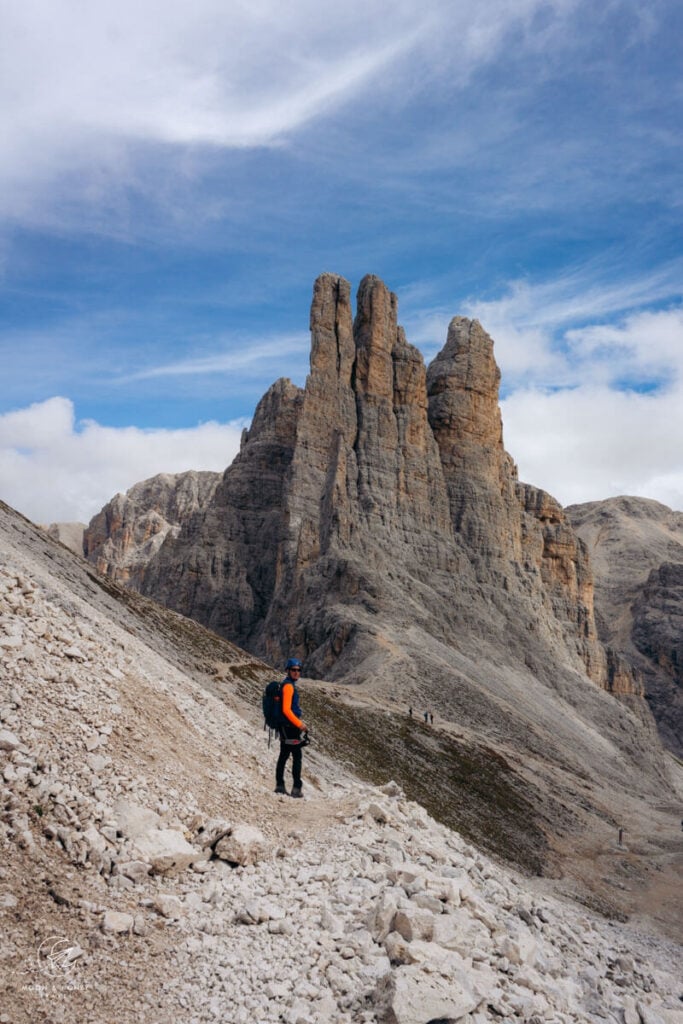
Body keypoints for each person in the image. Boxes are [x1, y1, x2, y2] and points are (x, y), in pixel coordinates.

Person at [275, 658, 308, 798]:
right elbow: (287, 710)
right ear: (288, 671)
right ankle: (296, 788)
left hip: (285, 727)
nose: (296, 672)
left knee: (283, 756)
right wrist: (300, 724)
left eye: (298, 670)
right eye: (293, 670)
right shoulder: (288, 687)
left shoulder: (286, 685)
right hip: (290, 727)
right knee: (296, 757)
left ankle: (280, 785)